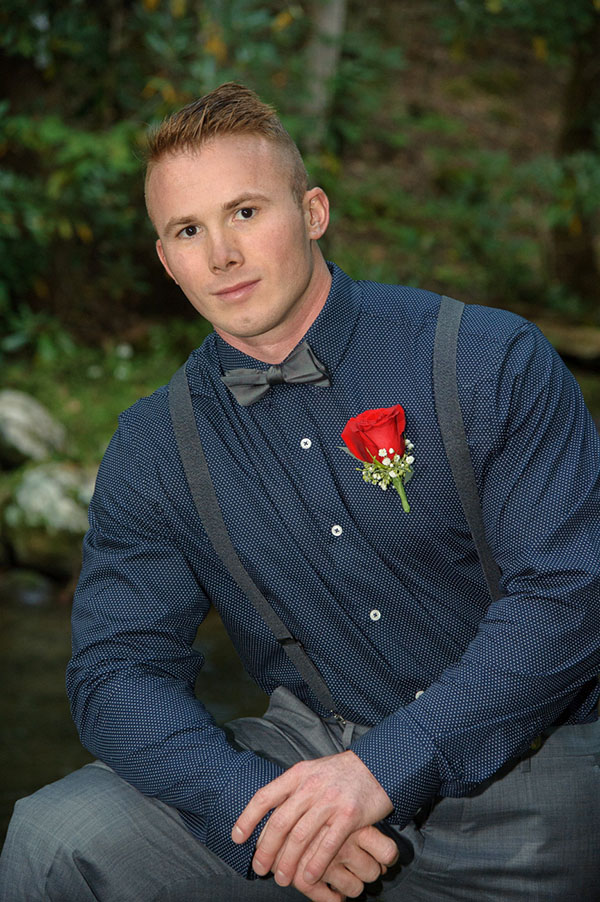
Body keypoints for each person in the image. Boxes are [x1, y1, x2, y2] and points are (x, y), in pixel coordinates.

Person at [1, 82, 599, 902]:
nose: (222, 255)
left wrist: (383, 770)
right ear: (166, 259)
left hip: (538, 762)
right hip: (308, 763)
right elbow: (117, 671)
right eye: (188, 229)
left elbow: (572, 595)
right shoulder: (153, 448)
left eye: (245, 212)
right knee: (56, 842)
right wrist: (243, 804)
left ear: (313, 212)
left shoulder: (488, 360)